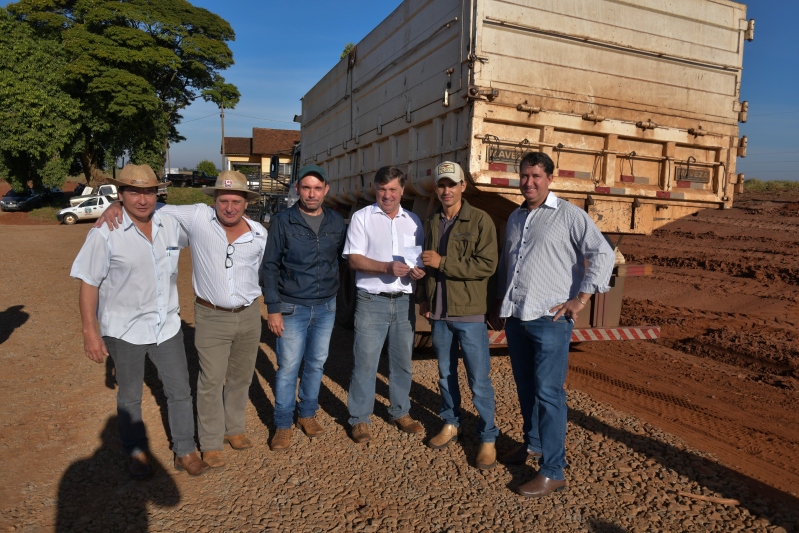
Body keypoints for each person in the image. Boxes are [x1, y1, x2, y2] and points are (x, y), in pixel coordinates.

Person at [97, 170, 267, 469]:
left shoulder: (259, 234)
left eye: (236, 201)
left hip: (250, 313)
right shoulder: (198, 217)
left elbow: (264, 271)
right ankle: (211, 443)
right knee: (210, 380)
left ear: (247, 203)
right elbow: (151, 204)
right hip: (212, 315)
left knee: (241, 377)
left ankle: (234, 428)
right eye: (223, 200)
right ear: (214, 201)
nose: (229, 207)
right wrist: (116, 204)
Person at [489, 152, 615, 497]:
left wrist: (581, 299)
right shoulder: (515, 216)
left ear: (549, 179)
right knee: (526, 387)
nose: (529, 182)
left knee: (549, 394)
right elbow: (509, 264)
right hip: (518, 317)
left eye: (536, 176)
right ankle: (532, 444)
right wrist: (501, 303)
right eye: (524, 175)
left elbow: (603, 253)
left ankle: (553, 470)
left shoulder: (569, 215)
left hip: (550, 319)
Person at [72, 164, 210, 478]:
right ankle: (135, 451)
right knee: (130, 395)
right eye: (134, 192)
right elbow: (89, 283)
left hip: (167, 326)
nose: (143, 199)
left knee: (180, 391)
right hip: (124, 330)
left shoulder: (169, 224)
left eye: (149, 191)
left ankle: (185, 450)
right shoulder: (105, 232)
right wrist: (90, 332)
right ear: (120, 194)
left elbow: (206, 218)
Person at [418, 161, 499, 469]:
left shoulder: (480, 220)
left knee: (479, 379)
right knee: (445, 373)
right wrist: (424, 297)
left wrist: (443, 263)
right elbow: (426, 264)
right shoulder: (432, 221)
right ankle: (451, 422)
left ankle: (488, 437)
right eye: (441, 184)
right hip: (439, 313)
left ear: (463, 186)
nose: (446, 190)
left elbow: (486, 265)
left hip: (469, 313)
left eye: (452, 184)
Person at [261, 165, 346, 451]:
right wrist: (273, 308)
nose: (312, 194)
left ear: (326, 190)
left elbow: (343, 260)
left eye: (317, 188)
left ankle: (307, 414)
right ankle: (283, 424)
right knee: (288, 367)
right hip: (292, 307)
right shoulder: (283, 221)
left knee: (316, 363)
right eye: (306, 188)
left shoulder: (336, 221)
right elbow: (270, 266)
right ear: (297, 189)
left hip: (326, 306)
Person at [342, 166, 426, 444]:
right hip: (371, 300)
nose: (387, 195)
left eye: (392, 189)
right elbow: (354, 259)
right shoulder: (362, 217)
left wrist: (418, 271)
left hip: (404, 302)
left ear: (402, 190)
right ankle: (359, 418)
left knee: (402, 363)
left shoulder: (413, 221)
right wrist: (387, 267)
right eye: (382, 189)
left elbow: (416, 258)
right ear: (375, 189)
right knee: (365, 363)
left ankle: (400, 411)